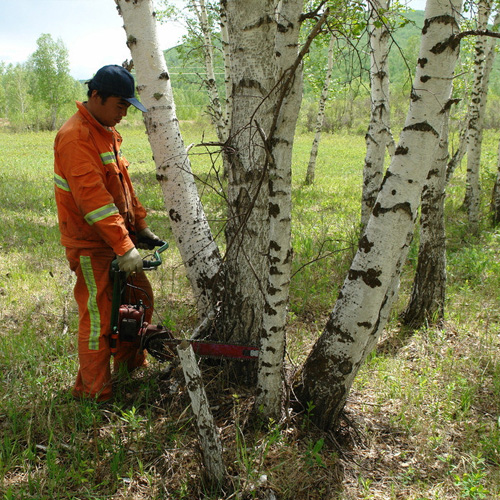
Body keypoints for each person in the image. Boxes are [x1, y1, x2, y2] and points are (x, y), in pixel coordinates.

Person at [54, 65, 163, 402]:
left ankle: (131, 367)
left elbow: (121, 187)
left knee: (139, 301)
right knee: (99, 318)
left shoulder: (105, 132)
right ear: (97, 96)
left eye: (128, 107)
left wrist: (138, 225)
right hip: (91, 244)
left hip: (116, 240)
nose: (123, 113)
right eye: (120, 105)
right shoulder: (76, 137)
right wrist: (123, 244)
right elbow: (94, 200)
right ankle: (93, 392)